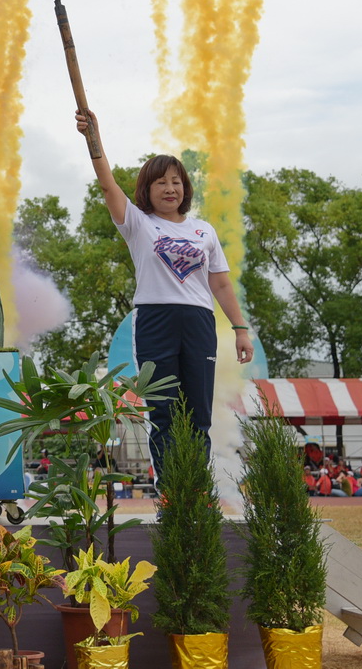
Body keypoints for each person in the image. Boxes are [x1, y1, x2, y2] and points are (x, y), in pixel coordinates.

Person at [77, 110, 253, 476]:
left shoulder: (204, 231)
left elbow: (220, 283)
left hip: (199, 322)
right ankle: (171, 489)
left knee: (198, 414)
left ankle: (196, 487)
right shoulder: (138, 224)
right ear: (147, 190)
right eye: (160, 183)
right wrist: (93, 140)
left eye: (176, 181)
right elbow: (109, 186)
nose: (170, 189)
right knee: (164, 411)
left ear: (185, 188)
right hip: (156, 321)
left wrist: (239, 328)